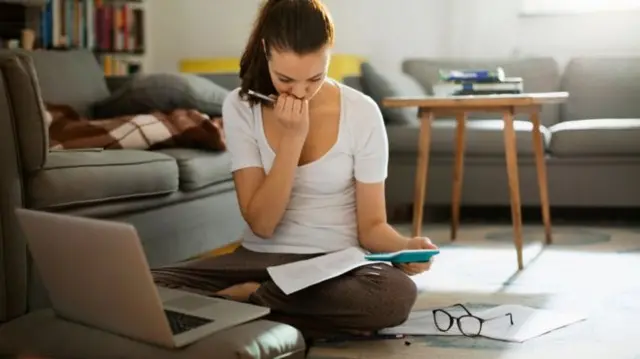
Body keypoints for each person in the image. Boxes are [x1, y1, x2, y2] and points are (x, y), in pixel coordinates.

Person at [151, 0, 438, 338]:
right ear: (266, 53)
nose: (301, 92)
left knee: (393, 296)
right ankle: (277, 304)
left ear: (329, 54)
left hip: (334, 266)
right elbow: (262, 223)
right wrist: (291, 140)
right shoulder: (241, 107)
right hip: (258, 260)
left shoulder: (362, 112)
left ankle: (249, 301)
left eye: (315, 78)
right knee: (145, 285)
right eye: (285, 79)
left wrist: (404, 247)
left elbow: (372, 226)